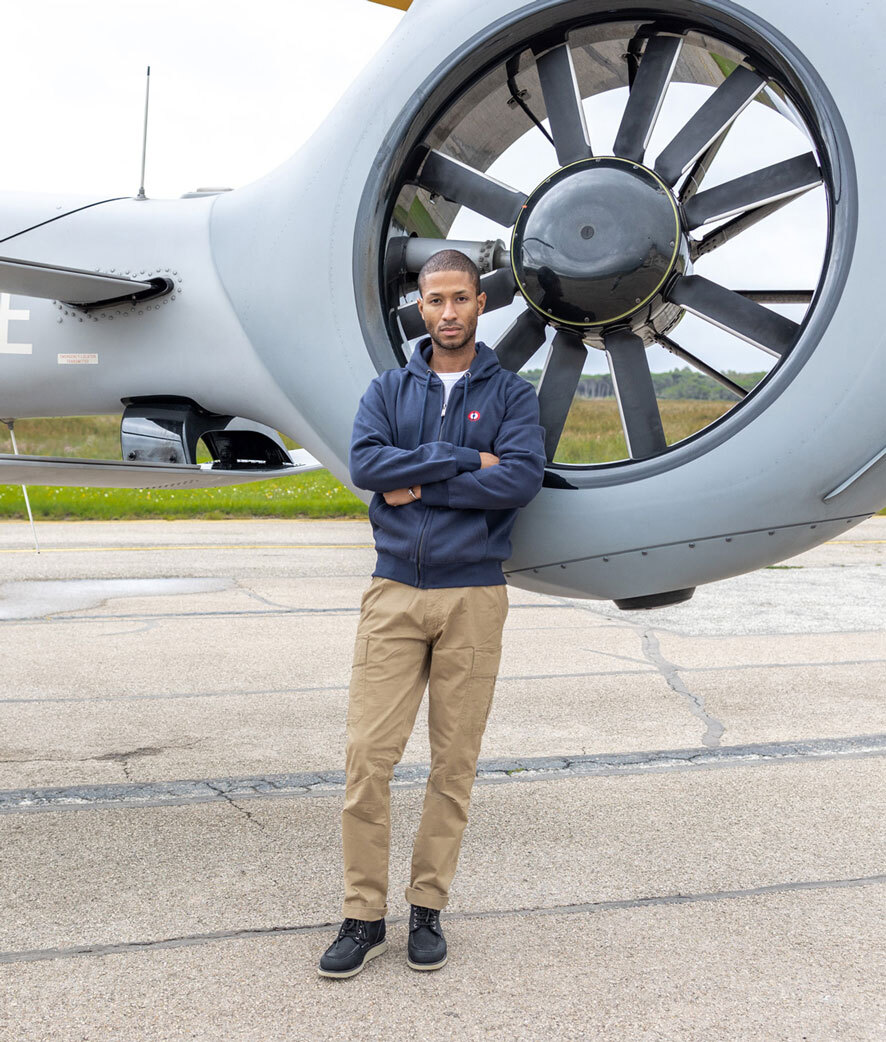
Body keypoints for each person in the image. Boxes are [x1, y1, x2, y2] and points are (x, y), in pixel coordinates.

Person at [318, 249, 546, 978]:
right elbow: (367, 467)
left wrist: (422, 473)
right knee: (367, 762)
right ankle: (362, 915)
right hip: (393, 594)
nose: (446, 312)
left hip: (474, 596)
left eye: (459, 299)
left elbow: (519, 479)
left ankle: (427, 909)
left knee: (454, 764)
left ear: (481, 304)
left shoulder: (511, 394)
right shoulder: (387, 388)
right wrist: (460, 459)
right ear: (420, 308)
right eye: (434, 300)